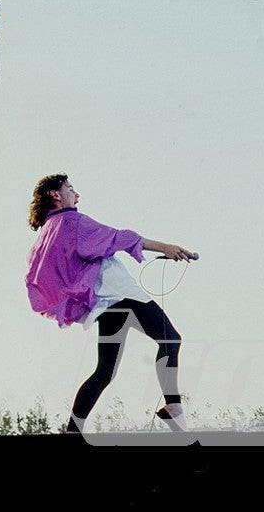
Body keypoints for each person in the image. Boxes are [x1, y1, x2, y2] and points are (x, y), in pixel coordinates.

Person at [25, 174, 197, 433]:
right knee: (170, 339)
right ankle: (173, 406)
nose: (77, 194)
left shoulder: (46, 233)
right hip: (121, 294)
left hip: (105, 304)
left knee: (104, 370)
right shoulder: (71, 222)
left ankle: (73, 431)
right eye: (70, 188)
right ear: (55, 195)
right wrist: (166, 247)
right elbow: (117, 237)